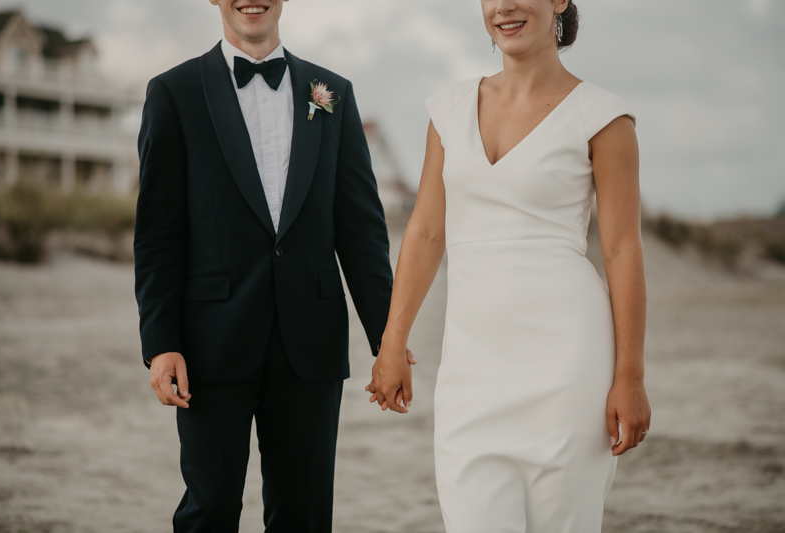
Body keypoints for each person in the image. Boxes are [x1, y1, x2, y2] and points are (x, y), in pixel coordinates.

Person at [367, 0, 652, 530]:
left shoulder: (603, 117)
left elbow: (621, 250)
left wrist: (629, 376)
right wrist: (392, 340)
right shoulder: (448, 110)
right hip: (471, 370)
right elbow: (427, 232)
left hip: (570, 369)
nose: (504, 7)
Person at [134, 1, 406, 530]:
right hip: (210, 344)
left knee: (303, 515)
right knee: (209, 509)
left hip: (311, 344)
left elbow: (361, 230)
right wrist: (160, 341)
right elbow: (159, 232)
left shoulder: (333, 93)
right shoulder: (173, 92)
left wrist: (387, 342)